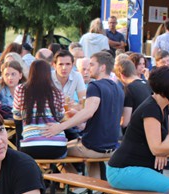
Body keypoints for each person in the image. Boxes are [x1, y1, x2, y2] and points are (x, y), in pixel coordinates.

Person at [107, 66, 169, 192]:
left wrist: (163, 151)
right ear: (163, 89)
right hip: (122, 170)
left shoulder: (164, 106)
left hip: (137, 168)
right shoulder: (151, 109)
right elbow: (156, 148)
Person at [48, 51, 124, 181]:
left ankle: (76, 184)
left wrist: (60, 127)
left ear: (102, 67)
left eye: (92, 64)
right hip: (112, 147)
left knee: (55, 150)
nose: (88, 68)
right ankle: (94, 188)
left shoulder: (95, 85)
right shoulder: (118, 88)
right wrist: (78, 115)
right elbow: (102, 116)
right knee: (87, 154)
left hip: (93, 147)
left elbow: (89, 112)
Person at [13, 59, 67, 160]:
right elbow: (60, 117)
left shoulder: (21, 89)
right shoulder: (58, 92)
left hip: (30, 147)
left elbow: (17, 114)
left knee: (19, 126)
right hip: (57, 147)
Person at [115, 55, 152, 128]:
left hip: (135, 130)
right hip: (148, 127)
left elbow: (125, 123)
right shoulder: (148, 84)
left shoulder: (129, 88)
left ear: (122, 75)